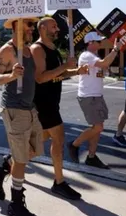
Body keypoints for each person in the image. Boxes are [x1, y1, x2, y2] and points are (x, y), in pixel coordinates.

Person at [0, 17, 42, 216]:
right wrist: (11, 75)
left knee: (33, 150)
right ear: (17, 25)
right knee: (21, 159)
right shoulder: (7, 50)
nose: (32, 28)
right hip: (14, 109)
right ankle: (16, 205)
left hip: (29, 108)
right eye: (29, 24)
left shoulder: (28, 50)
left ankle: (0, 171)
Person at [30, 17, 88, 200]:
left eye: (56, 26)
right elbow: (40, 78)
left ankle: (7, 165)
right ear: (42, 28)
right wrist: (65, 66)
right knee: (59, 138)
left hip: (52, 102)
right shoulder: (37, 49)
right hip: (43, 103)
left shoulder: (53, 49)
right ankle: (59, 182)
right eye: (53, 26)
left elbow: (58, 74)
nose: (57, 29)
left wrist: (76, 71)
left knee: (38, 144)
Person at [68, 32, 122, 168]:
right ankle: (74, 144)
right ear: (90, 43)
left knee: (97, 128)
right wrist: (115, 49)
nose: (100, 43)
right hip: (89, 96)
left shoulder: (94, 57)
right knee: (98, 127)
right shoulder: (86, 55)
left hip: (96, 96)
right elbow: (105, 63)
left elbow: (102, 68)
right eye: (98, 41)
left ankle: (91, 157)